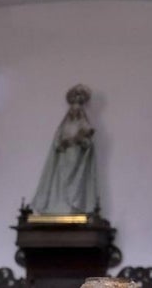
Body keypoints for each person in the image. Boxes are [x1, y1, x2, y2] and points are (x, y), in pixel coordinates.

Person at [31, 84, 99, 214]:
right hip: (64, 158)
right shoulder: (64, 126)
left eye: (77, 109)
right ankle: (59, 206)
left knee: (75, 185)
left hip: (77, 159)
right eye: (73, 109)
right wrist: (63, 143)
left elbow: (88, 144)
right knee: (60, 183)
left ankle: (73, 206)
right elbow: (56, 143)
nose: (75, 111)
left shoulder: (83, 124)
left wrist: (81, 140)